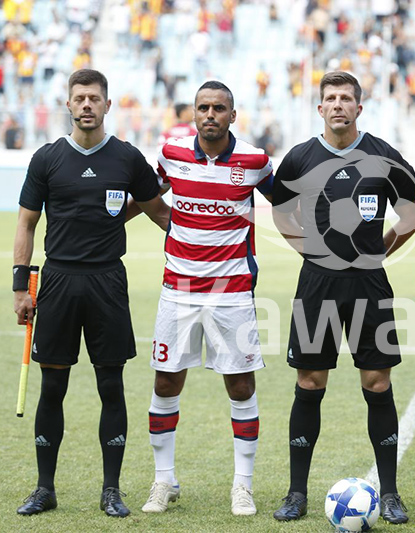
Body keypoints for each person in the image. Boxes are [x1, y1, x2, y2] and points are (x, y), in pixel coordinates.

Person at [12, 69, 170, 518]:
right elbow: (26, 223)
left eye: (94, 98)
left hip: (107, 282)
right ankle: (45, 488)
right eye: (79, 98)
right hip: (58, 282)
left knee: (111, 386)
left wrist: (208, 243)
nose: (86, 105)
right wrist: (20, 287)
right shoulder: (47, 158)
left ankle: (111, 489)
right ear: (68, 104)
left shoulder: (126, 157)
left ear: (107, 105)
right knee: (53, 387)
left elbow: (158, 211)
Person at [271, 71, 415, 525]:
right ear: (320, 108)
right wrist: (311, 252)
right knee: (310, 384)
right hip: (317, 286)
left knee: (377, 384)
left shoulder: (383, 155)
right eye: (330, 98)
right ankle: (297, 493)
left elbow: (412, 214)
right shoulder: (300, 158)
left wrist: (376, 253)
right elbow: (281, 213)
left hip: (370, 285)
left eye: (346, 98)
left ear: (359, 107)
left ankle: (390, 493)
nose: (338, 105)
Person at [128, 81, 274, 516]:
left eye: (219, 108)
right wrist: (110, 220)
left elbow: (285, 205)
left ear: (233, 114)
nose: (210, 114)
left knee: (241, 384)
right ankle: (163, 481)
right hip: (179, 290)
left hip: (232, 293)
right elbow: (147, 197)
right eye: (203, 108)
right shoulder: (171, 153)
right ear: (193, 113)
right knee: (166, 382)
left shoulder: (254, 161)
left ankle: (242, 486)